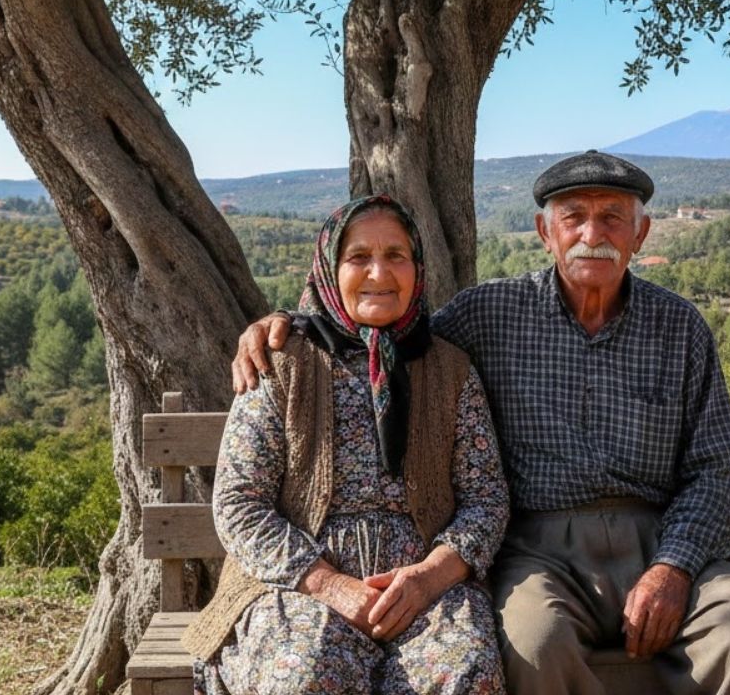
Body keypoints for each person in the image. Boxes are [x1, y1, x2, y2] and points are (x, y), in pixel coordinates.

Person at [234, 152, 730, 695]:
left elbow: (715, 469)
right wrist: (286, 324)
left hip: (663, 535)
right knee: (535, 645)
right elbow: (389, 330)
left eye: (612, 217)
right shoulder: (490, 315)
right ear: (545, 233)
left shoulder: (680, 328)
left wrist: (675, 567)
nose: (592, 233)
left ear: (640, 234)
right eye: (573, 217)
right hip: (543, 549)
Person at [186, 194, 509, 695]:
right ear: (329, 270)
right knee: (304, 676)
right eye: (359, 257)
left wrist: (428, 578)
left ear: (417, 269)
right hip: (295, 585)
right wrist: (328, 584)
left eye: (396, 255)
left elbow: (485, 499)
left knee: (465, 676)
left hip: (427, 590)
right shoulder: (282, 362)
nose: (379, 273)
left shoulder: (450, 369)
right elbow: (238, 503)